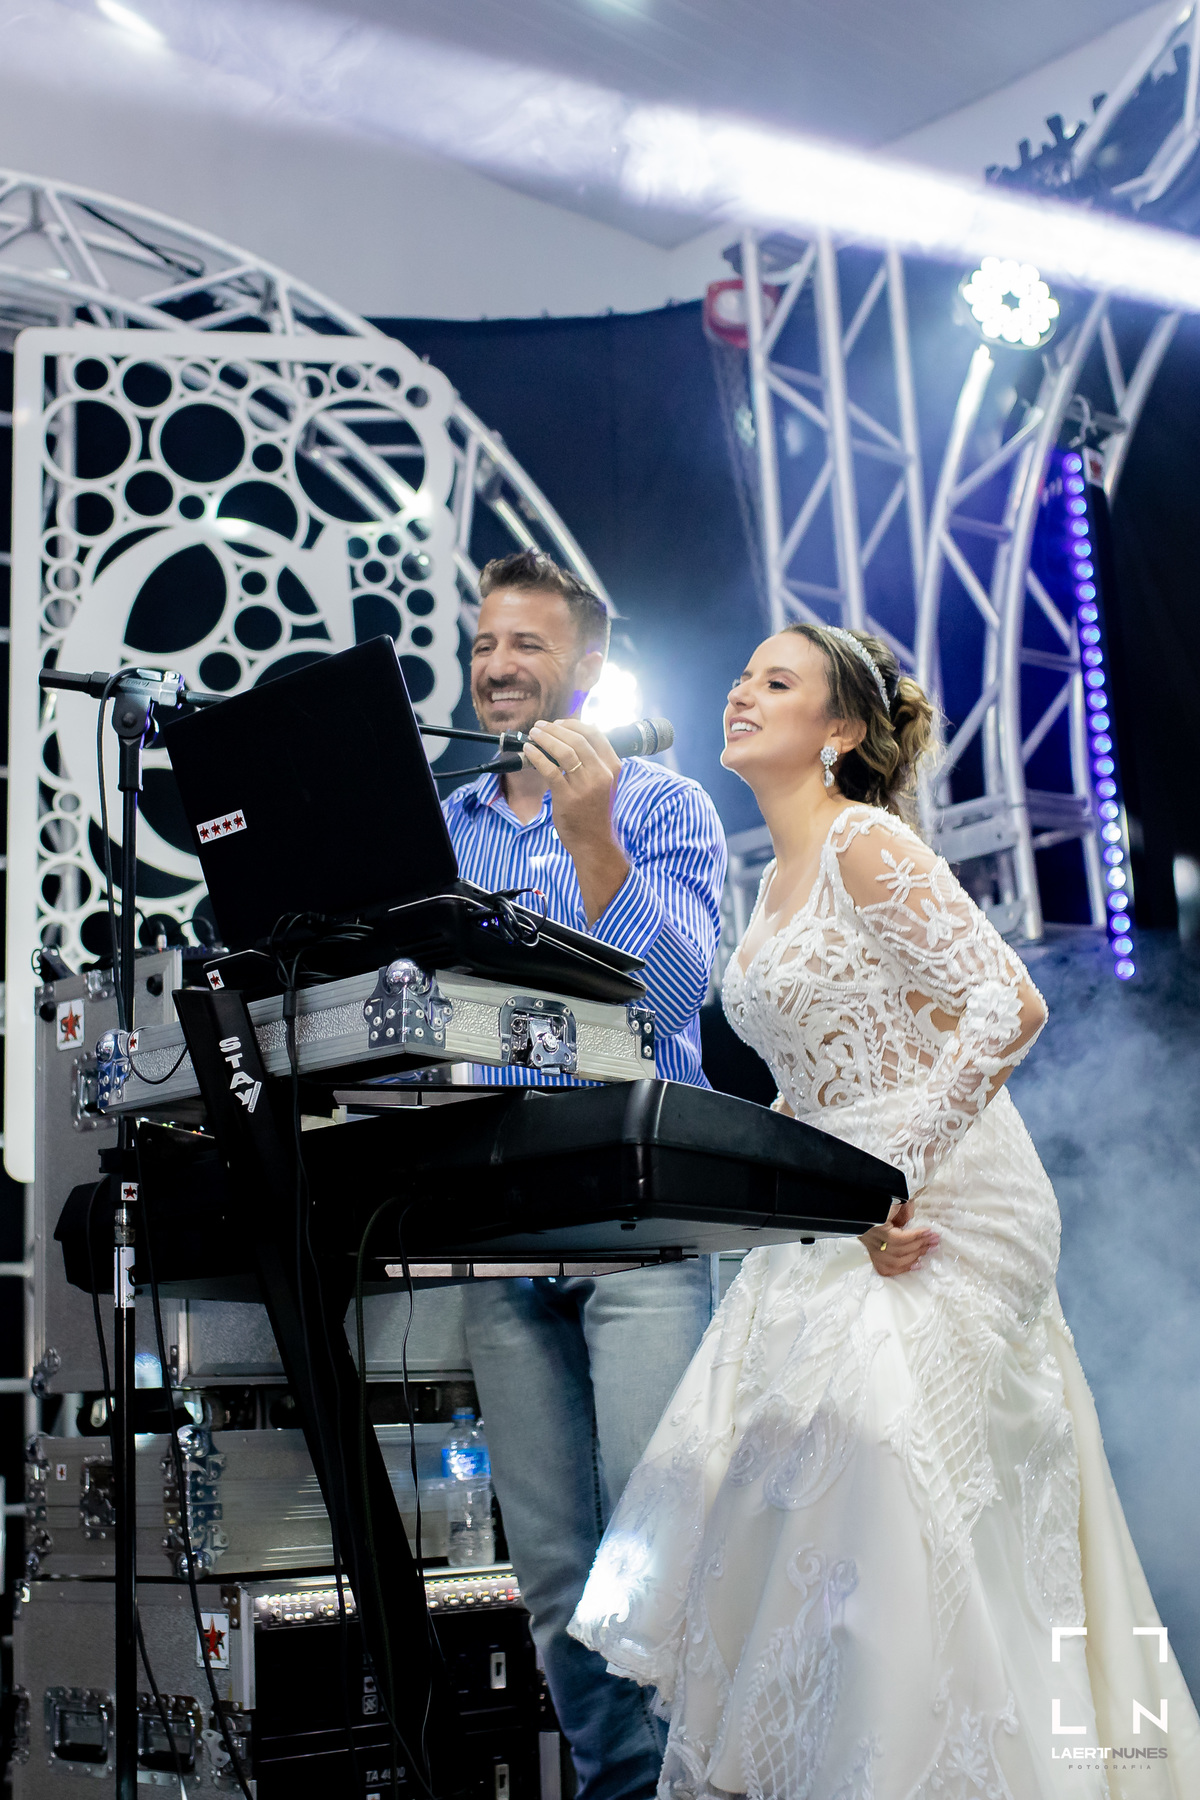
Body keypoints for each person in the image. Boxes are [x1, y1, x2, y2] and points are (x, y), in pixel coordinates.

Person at [569, 622, 1200, 1799]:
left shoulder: (865, 841)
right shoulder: (768, 883)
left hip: (947, 1200)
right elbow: (805, 1079)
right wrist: (796, 1183)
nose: (742, 693)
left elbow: (1006, 1006)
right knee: (757, 1473)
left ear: (842, 731)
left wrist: (890, 1176)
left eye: (777, 682)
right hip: (839, 1208)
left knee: (872, 1454)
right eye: (742, 676)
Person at [441, 550, 727, 1800]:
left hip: (636, 1217)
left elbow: (680, 994)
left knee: (661, 1559)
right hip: (494, 1221)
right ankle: (622, 1790)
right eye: (484, 644)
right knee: (556, 1576)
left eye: (528, 645)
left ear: (590, 669)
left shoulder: (665, 805)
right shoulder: (441, 829)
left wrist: (590, 839)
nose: (499, 667)